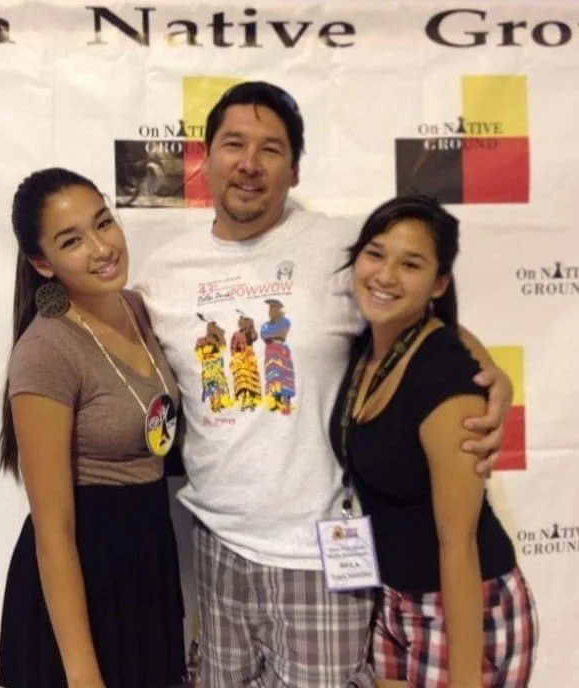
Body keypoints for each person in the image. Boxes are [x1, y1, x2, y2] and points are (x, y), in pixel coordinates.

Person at [135, 81, 513, 687]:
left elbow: (417, 317)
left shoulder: (340, 248)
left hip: (323, 556)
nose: (250, 163)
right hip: (216, 544)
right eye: (234, 144)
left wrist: (491, 372)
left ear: (295, 169)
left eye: (271, 149)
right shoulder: (163, 274)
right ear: (206, 157)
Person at [329, 194, 538, 687]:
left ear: (438, 282)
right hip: (392, 601)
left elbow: (458, 545)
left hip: (464, 610)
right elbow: (452, 331)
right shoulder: (368, 345)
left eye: (411, 264)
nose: (385, 275)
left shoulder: (444, 376)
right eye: (375, 254)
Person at [0, 168, 186, 688]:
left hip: (147, 565)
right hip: (81, 583)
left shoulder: (137, 309)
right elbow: (53, 530)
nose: (102, 248)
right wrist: (82, 673)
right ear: (42, 263)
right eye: (71, 241)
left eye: (103, 223)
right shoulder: (46, 351)